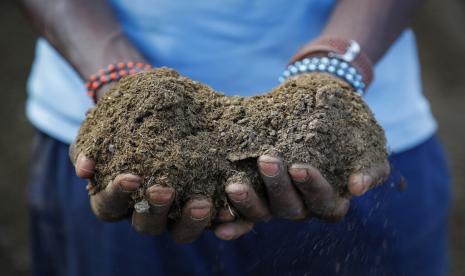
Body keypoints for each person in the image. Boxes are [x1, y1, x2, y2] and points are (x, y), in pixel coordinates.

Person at [19, 0, 450, 275]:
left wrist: (336, 64)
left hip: (343, 134)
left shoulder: (336, 118)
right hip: (117, 139)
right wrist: (117, 80)